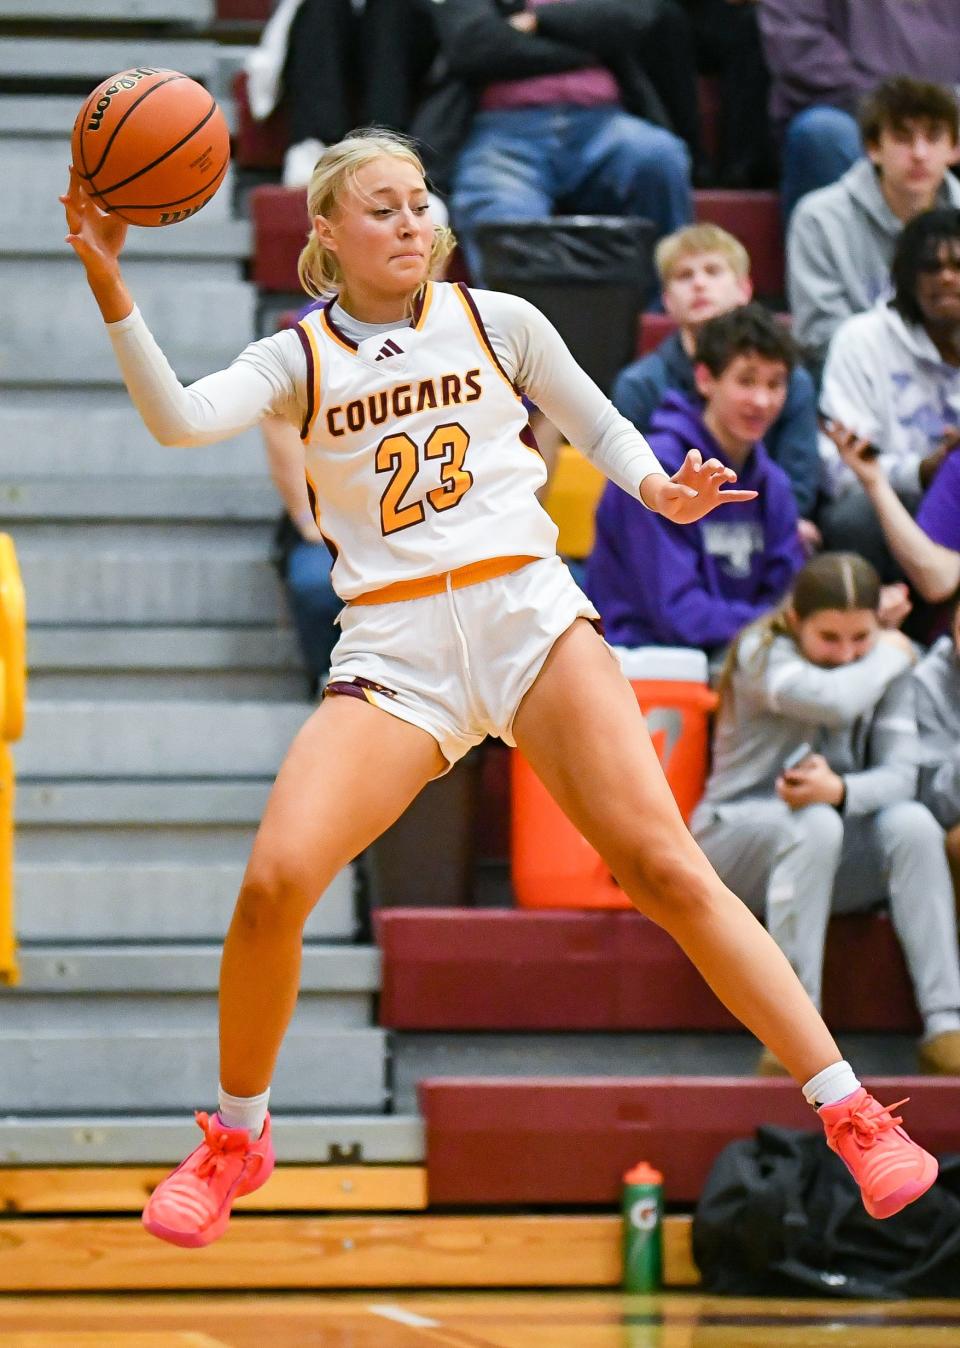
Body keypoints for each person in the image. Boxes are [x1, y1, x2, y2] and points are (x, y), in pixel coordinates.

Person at [62, 128, 938, 1247]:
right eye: (381, 208)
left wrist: (662, 488)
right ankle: (238, 1135)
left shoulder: (499, 319)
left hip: (527, 612)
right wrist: (107, 279)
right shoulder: (299, 356)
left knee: (666, 865)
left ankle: (853, 1113)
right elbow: (179, 420)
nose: (411, 222)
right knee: (277, 879)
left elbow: (600, 422)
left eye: (421, 202)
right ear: (325, 233)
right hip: (396, 647)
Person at [692, 551, 960, 1078]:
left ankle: (946, 1024)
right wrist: (889, 651)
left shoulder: (885, 665)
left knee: (912, 823)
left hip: (827, 839)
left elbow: (902, 777)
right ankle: (795, 1032)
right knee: (813, 823)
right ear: (796, 621)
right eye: (829, 638)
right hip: (734, 842)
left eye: (859, 638)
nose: (845, 653)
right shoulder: (760, 651)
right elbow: (835, 701)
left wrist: (841, 790)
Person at [412, 0, 694, 289]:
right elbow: (474, 44)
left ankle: (667, 304)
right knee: (501, 208)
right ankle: (519, 328)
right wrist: (586, 46)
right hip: (505, 134)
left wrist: (536, 21)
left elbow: (634, 16)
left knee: (659, 156)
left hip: (604, 125)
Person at [588, 304, 804, 656]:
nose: (762, 400)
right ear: (705, 379)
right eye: (746, 381)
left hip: (737, 651)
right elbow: (677, 614)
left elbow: (789, 594)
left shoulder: (773, 484)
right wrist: (785, 623)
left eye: (775, 383)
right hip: (639, 655)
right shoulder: (655, 473)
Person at [613, 223, 821, 528]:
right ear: (667, 301)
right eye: (684, 275)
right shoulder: (639, 385)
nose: (699, 284)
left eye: (713, 271)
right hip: (668, 531)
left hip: (767, 526)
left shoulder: (791, 379)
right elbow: (631, 491)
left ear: (744, 289)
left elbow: (799, 489)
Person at [818, 209, 960, 578]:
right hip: (893, 507)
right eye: (931, 267)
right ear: (907, 277)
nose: (947, 277)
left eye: (959, 265)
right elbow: (838, 469)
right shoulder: (861, 340)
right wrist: (922, 472)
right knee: (854, 516)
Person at [788, 78, 960, 372]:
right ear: (873, 147)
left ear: (954, 149)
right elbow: (817, 335)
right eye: (903, 138)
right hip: (856, 378)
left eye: (933, 138)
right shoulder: (819, 218)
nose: (919, 153)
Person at [756, 0, 960, 217]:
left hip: (949, 117)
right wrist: (892, 110)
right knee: (824, 133)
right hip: (847, 112)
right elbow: (801, 54)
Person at [246, 0, 440, 189]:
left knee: (390, 6)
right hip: (329, 29)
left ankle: (384, 145)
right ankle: (317, 144)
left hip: (406, 34)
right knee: (323, 6)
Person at [263, 412, 341, 694]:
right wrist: (308, 518)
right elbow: (278, 418)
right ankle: (328, 677)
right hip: (329, 515)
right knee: (316, 584)